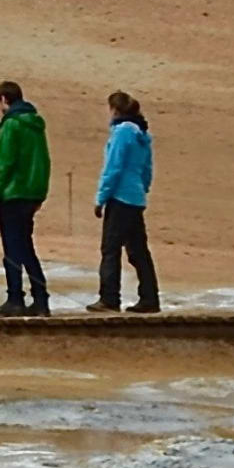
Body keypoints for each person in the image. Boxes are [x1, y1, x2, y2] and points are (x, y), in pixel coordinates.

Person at [0, 79, 53, 317]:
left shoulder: (11, 125)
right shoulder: (36, 125)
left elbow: (4, 162)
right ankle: (41, 298)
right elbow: (44, 161)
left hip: (13, 194)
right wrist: (40, 194)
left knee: (13, 250)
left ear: (4, 100)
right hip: (31, 193)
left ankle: (15, 298)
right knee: (26, 247)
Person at [91, 89, 158, 313]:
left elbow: (113, 167)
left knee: (110, 248)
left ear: (115, 110)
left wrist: (101, 197)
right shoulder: (142, 134)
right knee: (139, 250)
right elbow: (147, 168)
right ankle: (150, 297)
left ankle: (109, 298)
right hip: (136, 197)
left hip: (120, 197)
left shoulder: (121, 133)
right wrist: (142, 190)